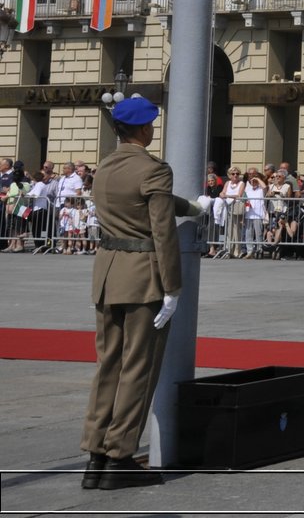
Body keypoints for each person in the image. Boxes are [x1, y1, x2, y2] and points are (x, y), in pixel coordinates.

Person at [80, 98, 186, 490]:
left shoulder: (105, 166)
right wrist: (172, 287)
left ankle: (95, 456)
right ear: (144, 130)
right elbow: (161, 230)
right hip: (143, 278)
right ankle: (120, 456)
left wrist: (191, 205)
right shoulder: (154, 169)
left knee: (108, 366)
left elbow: (138, 203)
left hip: (108, 275)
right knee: (137, 369)